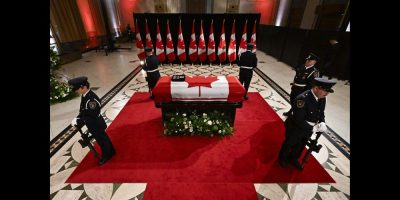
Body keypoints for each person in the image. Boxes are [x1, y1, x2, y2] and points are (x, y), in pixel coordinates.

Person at [278, 77, 336, 169]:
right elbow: (298, 119)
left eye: (328, 92)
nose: (327, 94)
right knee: (290, 143)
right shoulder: (302, 99)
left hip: (308, 128)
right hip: (295, 127)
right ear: (316, 88)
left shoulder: (322, 97)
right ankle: (282, 158)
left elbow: (321, 112)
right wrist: (312, 128)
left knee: (301, 144)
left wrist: (322, 122)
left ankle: (293, 158)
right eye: (325, 91)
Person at [68, 76, 116, 166]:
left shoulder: (91, 99)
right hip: (93, 124)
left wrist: (79, 121)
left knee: (102, 140)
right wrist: (78, 118)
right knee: (103, 138)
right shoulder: (85, 95)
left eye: (77, 89)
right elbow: (84, 111)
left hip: (96, 124)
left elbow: (92, 116)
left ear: (84, 87)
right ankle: (111, 151)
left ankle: (107, 156)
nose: (76, 91)